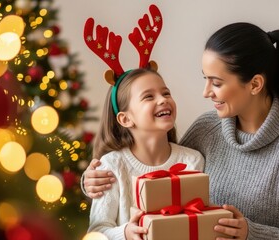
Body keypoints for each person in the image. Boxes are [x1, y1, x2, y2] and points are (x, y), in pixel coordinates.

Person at [83, 22, 279, 239]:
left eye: (216, 82)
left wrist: (252, 233)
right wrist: (94, 181)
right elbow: (160, 165)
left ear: (255, 84)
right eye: (205, 79)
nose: (206, 92)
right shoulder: (207, 129)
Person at [87, 67, 205, 240]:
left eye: (166, 93)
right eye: (149, 96)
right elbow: (96, 232)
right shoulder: (112, 166)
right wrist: (125, 233)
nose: (163, 100)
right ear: (125, 119)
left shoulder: (192, 160)